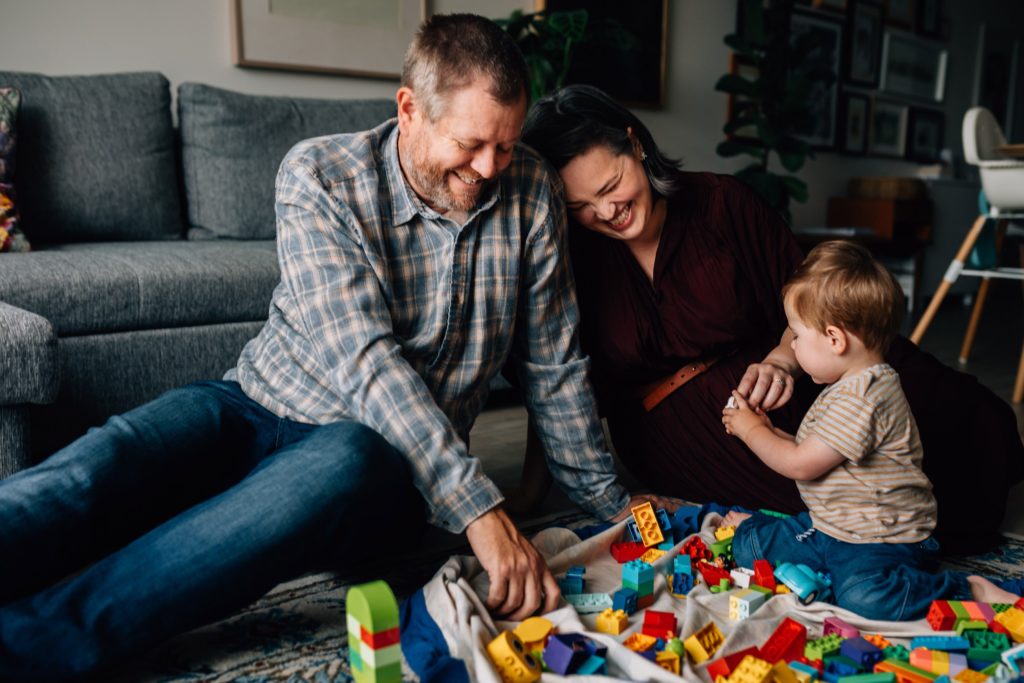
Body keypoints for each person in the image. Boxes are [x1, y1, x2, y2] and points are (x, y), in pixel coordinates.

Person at [0, 17, 674, 680]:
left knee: (308, 476)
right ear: (409, 109)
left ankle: (23, 645)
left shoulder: (530, 191)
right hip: (252, 402)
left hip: (376, 461)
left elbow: (553, 363)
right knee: (96, 471)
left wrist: (608, 495)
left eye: (505, 144)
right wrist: (483, 512)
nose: (490, 167)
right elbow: (364, 358)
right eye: (471, 144)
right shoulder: (319, 174)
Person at [517, 83, 1024, 555]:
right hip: (685, 422)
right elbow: (555, 376)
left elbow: (810, 300)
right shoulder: (571, 254)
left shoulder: (721, 202)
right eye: (580, 205)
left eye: (612, 185)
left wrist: (782, 361)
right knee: (860, 491)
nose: (607, 212)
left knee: (963, 413)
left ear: (635, 145)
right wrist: (531, 488)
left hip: (794, 362)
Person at [720, 241, 1016, 619]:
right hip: (833, 526)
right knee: (749, 550)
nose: (790, 345)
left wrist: (749, 430)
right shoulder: (847, 383)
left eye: (796, 335)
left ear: (834, 339)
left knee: (865, 597)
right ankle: (786, 537)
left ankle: (966, 589)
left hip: (882, 539)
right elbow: (812, 450)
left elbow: (800, 463)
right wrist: (766, 427)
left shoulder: (866, 396)